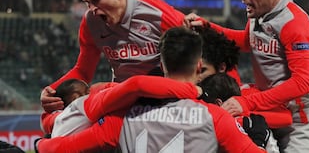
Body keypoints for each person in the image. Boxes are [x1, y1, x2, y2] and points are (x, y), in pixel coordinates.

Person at [35, 26, 270, 153]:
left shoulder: (122, 117)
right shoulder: (215, 117)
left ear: (162, 64)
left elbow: (64, 148)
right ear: (199, 65)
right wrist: (259, 139)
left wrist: (40, 144)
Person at [184, 0, 309, 153]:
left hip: (299, 125)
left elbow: (303, 83)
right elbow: (245, 41)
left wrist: (247, 102)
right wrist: (208, 27)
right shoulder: (258, 13)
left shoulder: (294, 23)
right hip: (271, 114)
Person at [41, 0, 189, 113]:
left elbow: (204, 36)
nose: (92, 9)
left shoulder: (155, 12)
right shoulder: (90, 22)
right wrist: (52, 91)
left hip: (163, 102)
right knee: (49, 124)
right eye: (87, 3)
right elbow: (83, 72)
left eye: (96, 0)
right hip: (122, 101)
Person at [41, 76, 201, 138]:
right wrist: (194, 90)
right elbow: (135, 85)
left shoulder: (61, 120)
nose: (92, 91)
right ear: (77, 96)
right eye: (88, 90)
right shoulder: (83, 104)